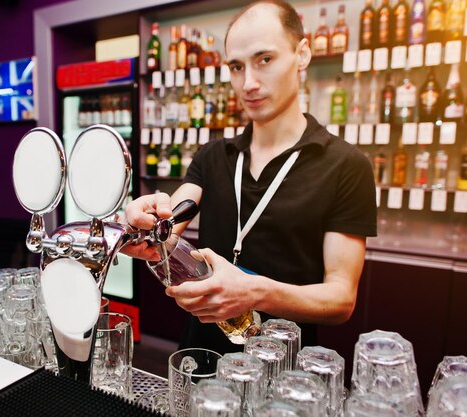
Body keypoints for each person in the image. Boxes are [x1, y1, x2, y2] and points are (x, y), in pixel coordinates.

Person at [123, 0, 377, 353]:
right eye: (237, 67)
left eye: (265, 60)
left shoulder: (347, 166)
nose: (249, 83)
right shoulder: (214, 156)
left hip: (285, 370)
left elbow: (340, 299)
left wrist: (255, 292)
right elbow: (171, 225)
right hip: (202, 358)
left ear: (302, 54)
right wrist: (148, 226)